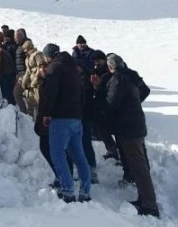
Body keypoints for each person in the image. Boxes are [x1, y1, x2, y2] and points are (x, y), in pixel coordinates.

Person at [105, 53, 158, 217]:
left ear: (111, 66)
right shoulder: (131, 75)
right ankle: (145, 197)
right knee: (141, 162)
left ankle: (149, 204)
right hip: (136, 123)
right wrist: (133, 103)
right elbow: (144, 91)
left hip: (127, 127)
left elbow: (111, 102)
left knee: (138, 164)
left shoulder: (119, 79)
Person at [38, 43, 91, 203]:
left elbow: (49, 93)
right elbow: (82, 93)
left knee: (58, 155)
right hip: (76, 118)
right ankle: (85, 192)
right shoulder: (73, 69)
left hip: (60, 118)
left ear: (48, 56)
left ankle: (67, 191)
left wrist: (46, 113)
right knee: (79, 156)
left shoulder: (55, 68)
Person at [90, 50, 119, 162]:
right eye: (95, 62)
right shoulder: (96, 71)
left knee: (118, 132)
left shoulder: (111, 72)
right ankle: (112, 150)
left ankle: (121, 154)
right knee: (102, 129)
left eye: (99, 61)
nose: (96, 64)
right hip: (101, 105)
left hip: (111, 105)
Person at [20, 39, 44, 119]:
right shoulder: (27, 58)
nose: (24, 51)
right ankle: (30, 120)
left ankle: (39, 121)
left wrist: (35, 80)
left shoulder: (37, 54)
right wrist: (24, 81)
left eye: (25, 49)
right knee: (30, 101)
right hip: (30, 83)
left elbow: (41, 67)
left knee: (38, 103)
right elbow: (28, 70)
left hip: (37, 83)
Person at [0, 31, 16, 103]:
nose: (5, 40)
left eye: (6, 38)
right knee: (5, 87)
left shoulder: (4, 48)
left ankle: (9, 103)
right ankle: (7, 100)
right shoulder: (5, 48)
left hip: (7, 71)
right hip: (7, 71)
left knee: (7, 88)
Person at [12, 29, 29, 111]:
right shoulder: (19, 45)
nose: (15, 39)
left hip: (24, 74)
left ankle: (24, 113)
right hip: (19, 73)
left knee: (16, 93)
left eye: (17, 37)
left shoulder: (26, 45)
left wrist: (26, 74)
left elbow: (30, 60)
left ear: (22, 36)